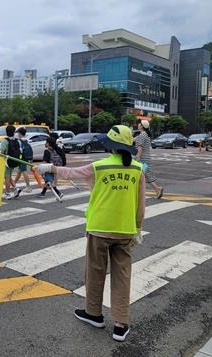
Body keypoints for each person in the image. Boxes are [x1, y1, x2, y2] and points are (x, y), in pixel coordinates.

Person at [36, 125, 146, 342]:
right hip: (125, 230)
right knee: (122, 276)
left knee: (95, 272)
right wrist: (138, 228)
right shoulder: (137, 169)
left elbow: (72, 173)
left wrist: (49, 167)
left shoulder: (100, 166)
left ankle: (94, 314)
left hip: (99, 228)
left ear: (111, 146)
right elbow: (140, 204)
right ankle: (121, 324)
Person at [135, 119, 164, 199]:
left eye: (139, 124)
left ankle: (157, 189)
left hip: (142, 160)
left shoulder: (142, 135)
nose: (138, 125)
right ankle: (157, 189)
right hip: (146, 159)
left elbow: (140, 148)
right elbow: (134, 139)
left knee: (142, 174)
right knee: (144, 175)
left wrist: (137, 159)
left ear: (142, 126)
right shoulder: (145, 135)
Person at [0, 125, 22, 200]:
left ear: (6, 132)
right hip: (14, 161)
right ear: (14, 132)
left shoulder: (5, 141)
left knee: (6, 177)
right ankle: (16, 189)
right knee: (8, 175)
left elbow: (2, 151)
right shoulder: (16, 140)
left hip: (7, 161)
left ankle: (7, 193)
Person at [12, 127, 33, 193]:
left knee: (24, 171)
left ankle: (28, 187)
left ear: (19, 133)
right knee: (19, 171)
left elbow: (19, 150)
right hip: (26, 157)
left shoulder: (19, 140)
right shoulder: (26, 139)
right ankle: (13, 184)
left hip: (22, 158)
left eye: (17, 132)